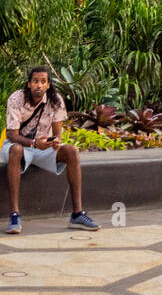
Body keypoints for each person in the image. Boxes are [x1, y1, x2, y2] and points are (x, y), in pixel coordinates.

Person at [2, 67, 99, 233]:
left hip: (42, 147)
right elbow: (12, 135)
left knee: (72, 151)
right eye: (35, 81)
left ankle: (77, 214)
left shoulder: (56, 100)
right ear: (28, 84)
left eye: (43, 82)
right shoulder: (16, 98)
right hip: (18, 146)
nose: (38, 85)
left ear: (48, 85)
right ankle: (14, 215)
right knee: (16, 149)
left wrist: (55, 142)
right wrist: (33, 143)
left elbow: (57, 134)